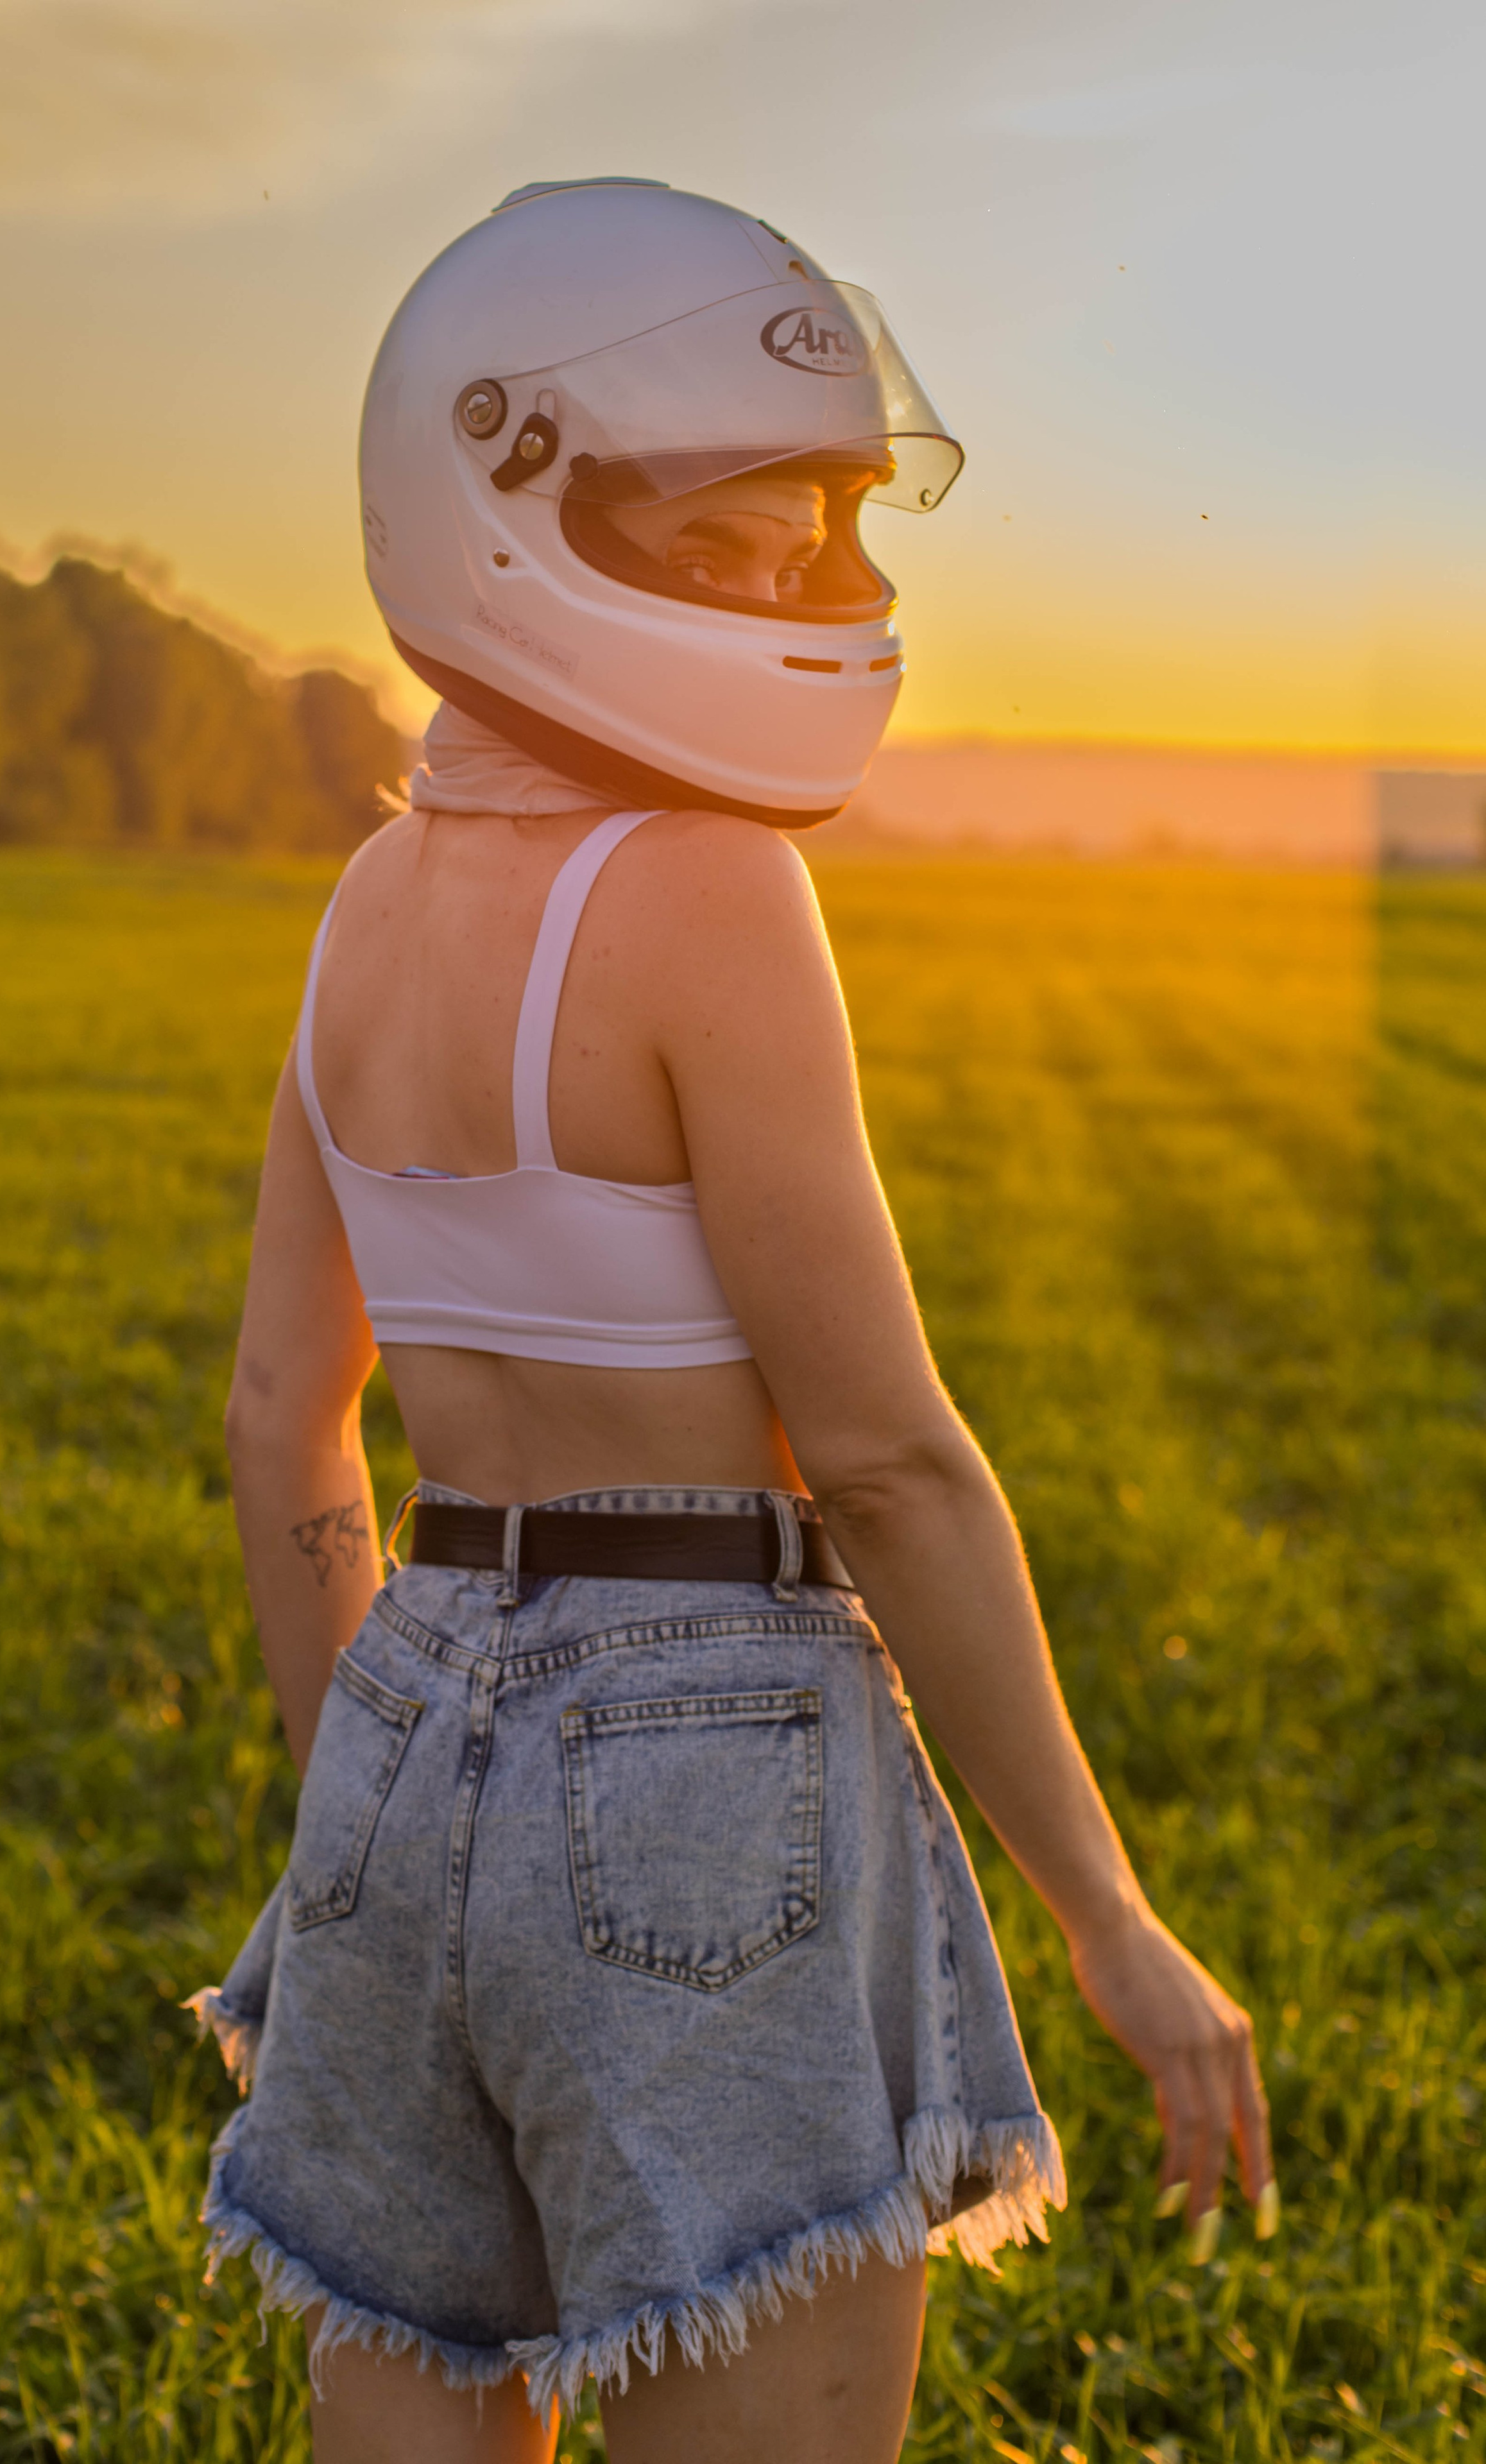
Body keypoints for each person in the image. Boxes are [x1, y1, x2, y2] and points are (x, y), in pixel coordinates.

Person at [189, 178, 1274, 2464]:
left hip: (399, 1722)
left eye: (813, 542)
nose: (801, 594)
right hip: (708, 1746)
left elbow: (288, 1414)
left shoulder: (360, 906)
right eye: (732, 543)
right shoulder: (711, 893)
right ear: (508, 505)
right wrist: (1110, 1917)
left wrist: (372, 1810)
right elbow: (886, 1463)